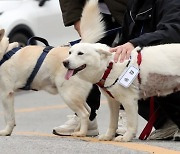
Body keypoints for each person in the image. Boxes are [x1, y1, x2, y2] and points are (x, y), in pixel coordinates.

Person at [53, 0, 128, 136]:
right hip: (93, 10)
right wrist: (76, 19)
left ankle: (125, 116)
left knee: (125, 62)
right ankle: (86, 117)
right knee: (83, 61)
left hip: (130, 9)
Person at [110, 0, 180, 141]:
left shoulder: (171, 2)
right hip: (150, 60)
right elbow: (125, 40)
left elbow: (173, 31)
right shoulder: (133, 5)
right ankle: (167, 124)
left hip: (173, 63)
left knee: (156, 75)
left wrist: (136, 43)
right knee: (110, 74)